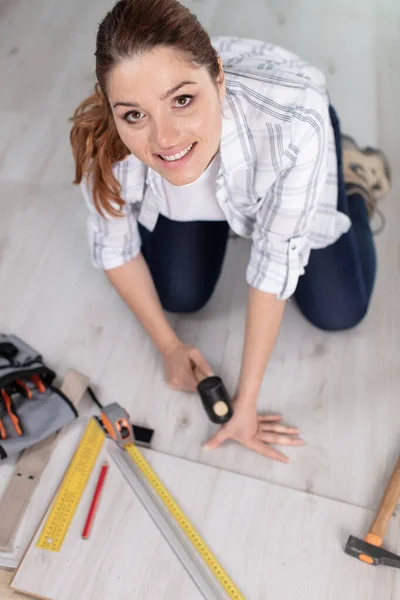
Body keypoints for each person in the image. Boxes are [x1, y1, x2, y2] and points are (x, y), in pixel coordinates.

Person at [69, 0, 391, 462]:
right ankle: (241, 208)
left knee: (340, 310)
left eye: (183, 100)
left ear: (217, 78)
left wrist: (247, 402)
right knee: (178, 297)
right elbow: (114, 247)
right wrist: (169, 346)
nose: (164, 138)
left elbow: (275, 260)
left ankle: (350, 176)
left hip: (289, 130)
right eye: (134, 116)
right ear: (112, 108)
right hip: (228, 160)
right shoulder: (105, 139)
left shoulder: (294, 123)